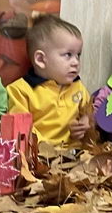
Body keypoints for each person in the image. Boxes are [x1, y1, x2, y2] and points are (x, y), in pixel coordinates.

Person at [6, 15, 92, 148]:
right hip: (39, 155)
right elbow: (21, 129)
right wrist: (46, 148)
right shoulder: (20, 90)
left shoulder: (78, 86)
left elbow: (89, 111)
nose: (76, 62)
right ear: (40, 59)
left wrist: (86, 122)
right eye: (68, 55)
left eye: (78, 55)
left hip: (75, 152)